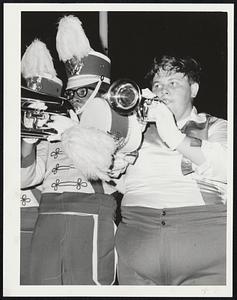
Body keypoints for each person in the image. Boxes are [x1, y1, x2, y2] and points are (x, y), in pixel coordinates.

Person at [21, 15, 142, 285]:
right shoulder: (59, 124)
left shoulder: (119, 118)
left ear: (101, 88)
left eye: (84, 91)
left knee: (87, 286)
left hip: (90, 215)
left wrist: (68, 132)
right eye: (72, 94)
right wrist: (29, 140)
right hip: (47, 216)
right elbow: (26, 179)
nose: (76, 100)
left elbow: (106, 165)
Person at [114, 55, 227, 285]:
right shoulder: (135, 130)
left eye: (173, 83)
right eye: (157, 85)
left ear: (193, 89)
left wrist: (173, 135)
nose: (162, 91)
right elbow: (112, 185)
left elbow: (227, 167)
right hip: (136, 241)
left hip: (203, 239)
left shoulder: (215, 125)